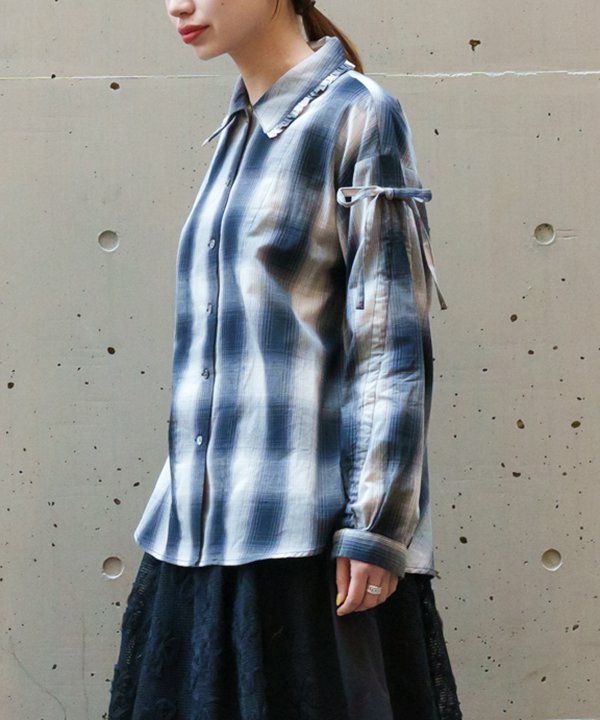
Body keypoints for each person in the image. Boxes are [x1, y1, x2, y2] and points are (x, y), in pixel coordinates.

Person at [108, 1, 463, 718]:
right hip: (197, 539)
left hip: (304, 552)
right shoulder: (238, 129)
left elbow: (391, 342)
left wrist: (377, 528)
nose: (178, 5)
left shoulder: (358, 115)